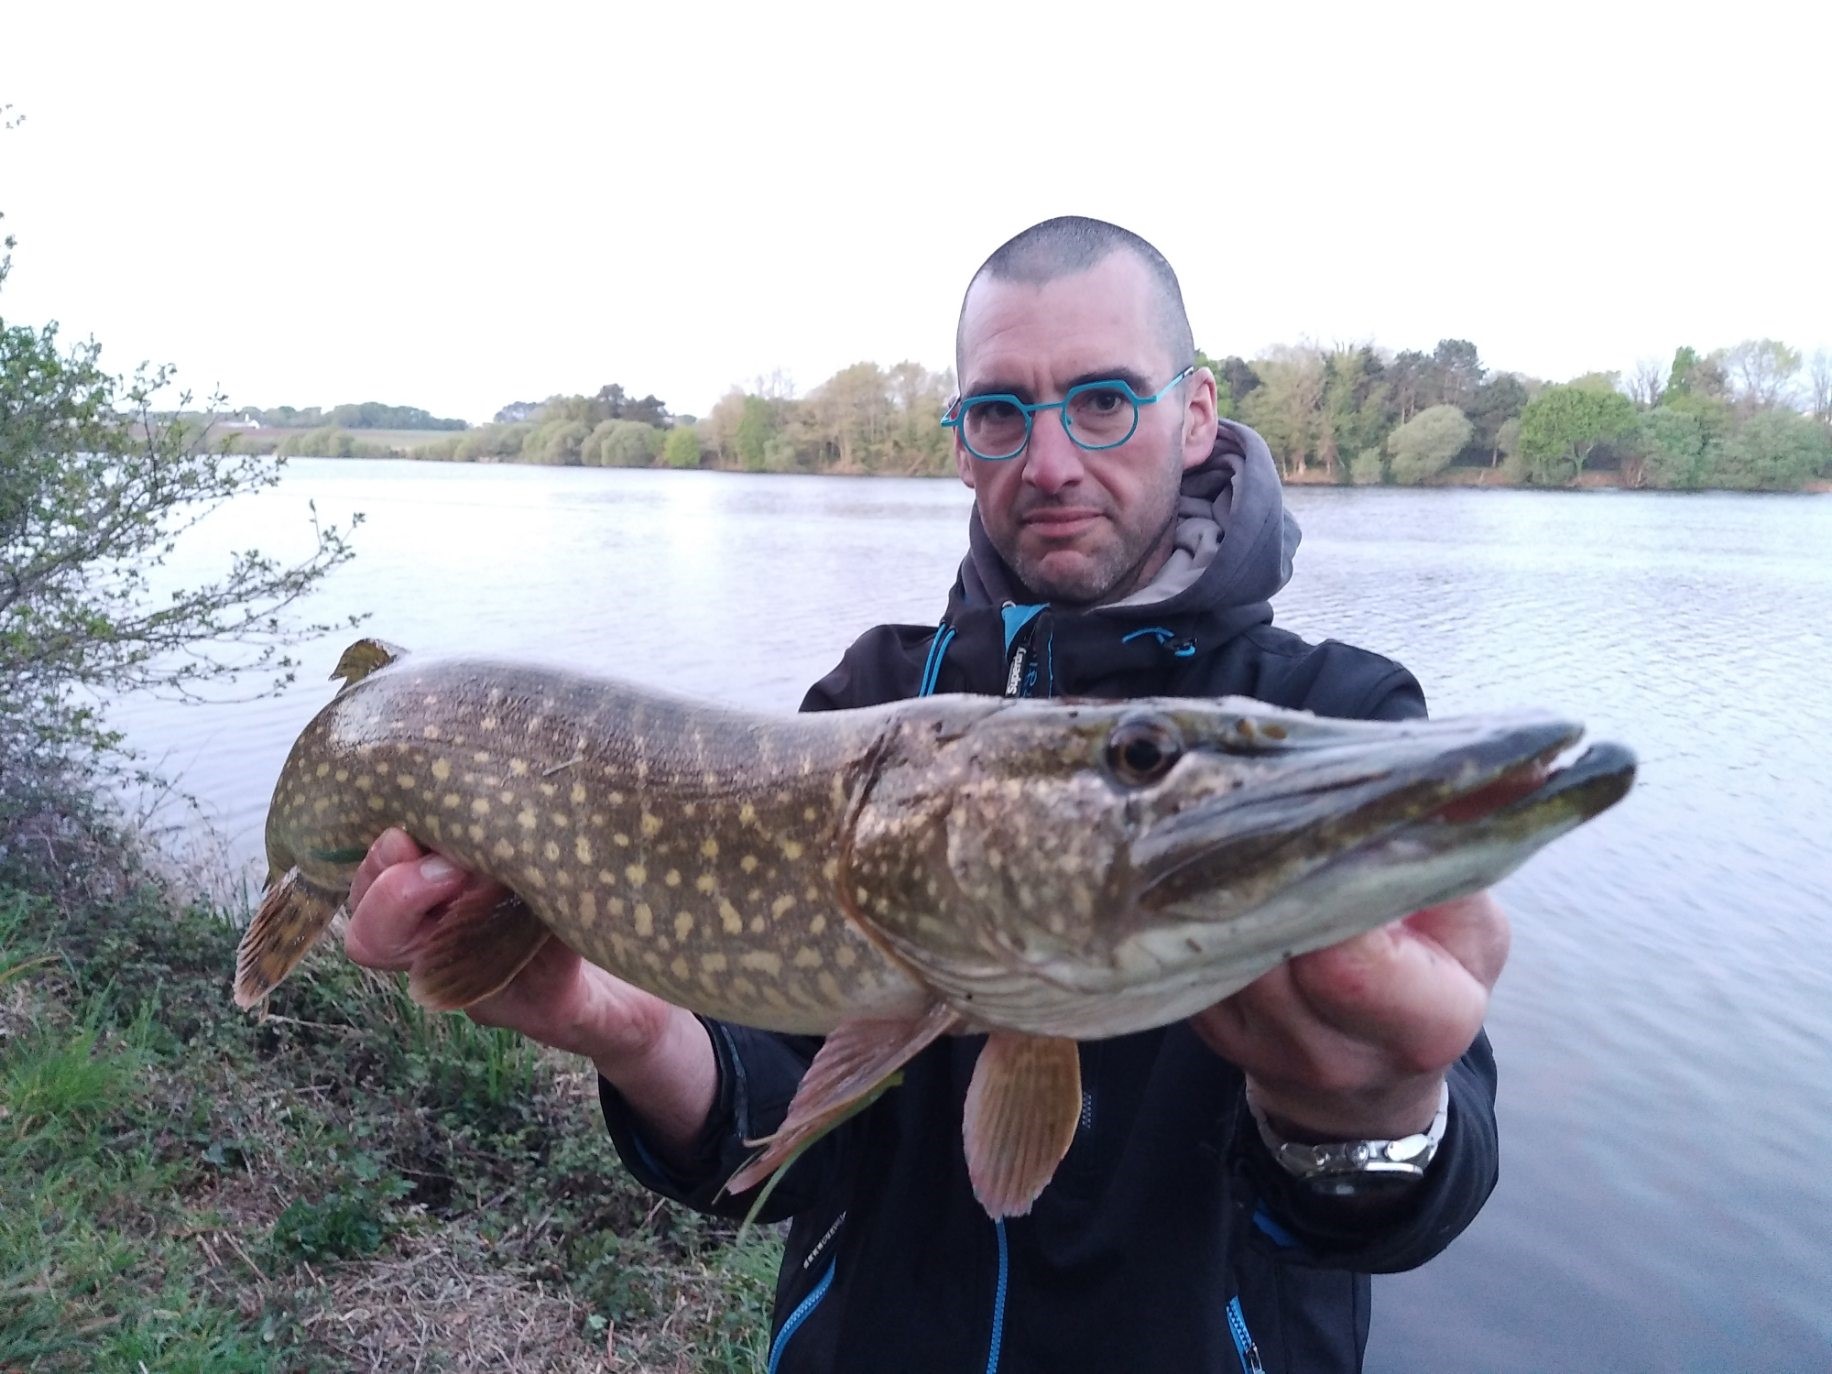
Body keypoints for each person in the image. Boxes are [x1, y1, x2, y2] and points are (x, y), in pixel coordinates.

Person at [345, 216, 1507, 1373]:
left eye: (1102, 400)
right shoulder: (870, 696)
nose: (1049, 463)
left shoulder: (1331, 711)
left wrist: (1361, 1120)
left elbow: (1409, 1197)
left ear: (1193, 414)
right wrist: (623, 1026)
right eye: (1001, 413)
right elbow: (791, 1138)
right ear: (962, 443)